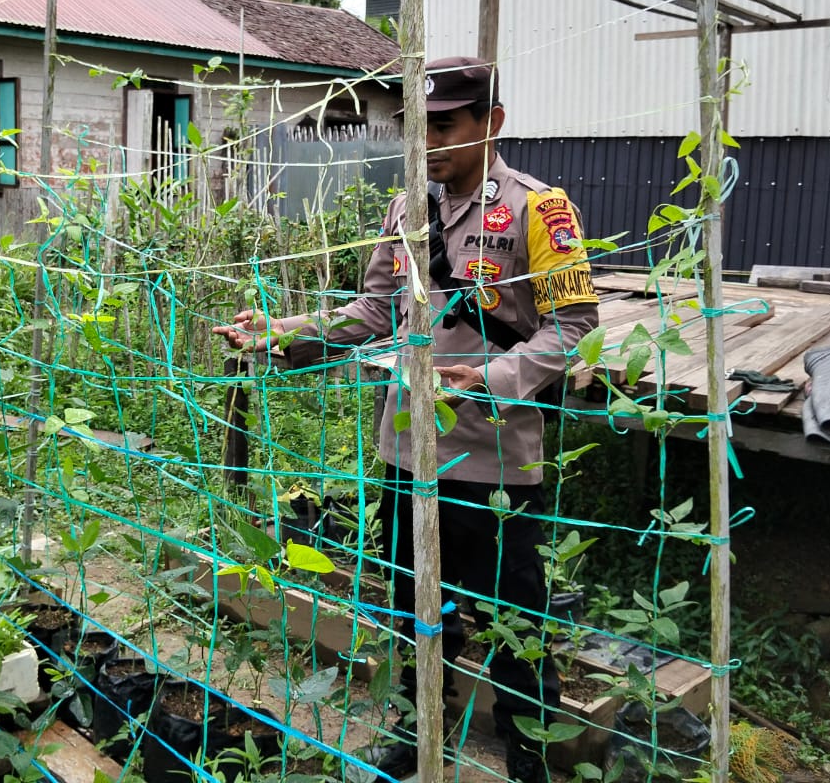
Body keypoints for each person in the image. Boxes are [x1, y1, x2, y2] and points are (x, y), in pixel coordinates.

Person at [214, 57, 600, 783]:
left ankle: (528, 756)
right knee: (414, 606)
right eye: (419, 130)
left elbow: (574, 326)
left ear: (494, 123)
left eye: (446, 127)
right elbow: (372, 312)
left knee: (513, 622)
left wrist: (490, 377)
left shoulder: (538, 210)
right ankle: (422, 725)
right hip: (405, 451)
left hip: (493, 461)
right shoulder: (404, 211)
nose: (429, 145)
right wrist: (283, 332)